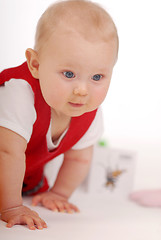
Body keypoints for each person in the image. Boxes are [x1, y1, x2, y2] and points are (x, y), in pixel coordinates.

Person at [0, 0, 118, 230]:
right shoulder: (20, 92)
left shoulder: (89, 112)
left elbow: (79, 158)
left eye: (96, 77)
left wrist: (59, 193)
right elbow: (7, 152)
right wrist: (11, 207)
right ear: (35, 64)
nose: (82, 90)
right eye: (69, 73)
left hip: (25, 181)